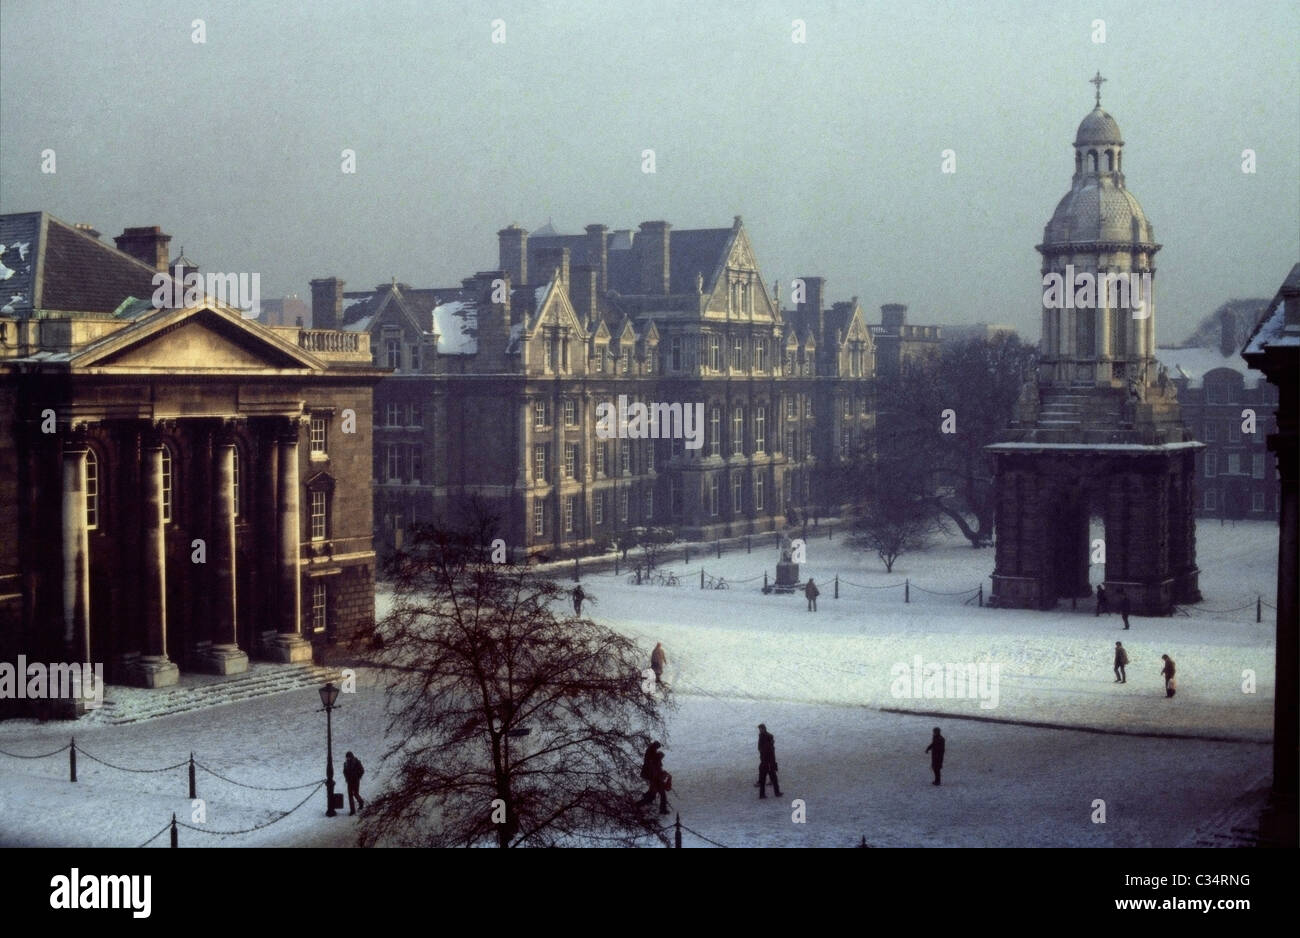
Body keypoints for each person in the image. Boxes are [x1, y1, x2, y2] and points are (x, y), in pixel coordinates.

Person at [637, 741, 670, 814]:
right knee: (661, 795)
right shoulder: (654, 759)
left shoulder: (651, 753)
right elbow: (655, 772)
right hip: (656, 780)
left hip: (654, 779)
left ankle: (639, 804)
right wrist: (661, 776)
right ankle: (662, 810)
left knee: (653, 795)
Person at [756, 723, 781, 799]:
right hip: (768, 763)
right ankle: (776, 793)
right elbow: (765, 751)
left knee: (766, 779)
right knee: (772, 779)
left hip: (766, 763)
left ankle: (763, 794)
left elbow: (761, 750)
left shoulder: (763, 738)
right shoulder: (766, 740)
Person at [342, 751, 365, 815]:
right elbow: (344, 772)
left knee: (355, 793)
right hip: (349, 781)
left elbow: (362, 770)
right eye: (347, 757)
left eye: (348, 757)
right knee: (350, 795)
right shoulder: (345, 764)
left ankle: (361, 802)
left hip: (355, 781)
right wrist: (346, 778)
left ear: (351, 756)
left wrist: (357, 776)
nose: (347, 758)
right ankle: (352, 810)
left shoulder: (357, 762)